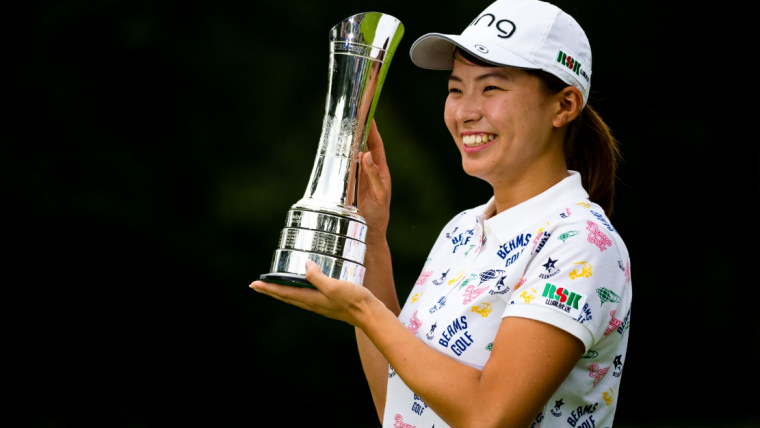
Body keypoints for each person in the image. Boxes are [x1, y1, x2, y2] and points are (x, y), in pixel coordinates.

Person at [251, 0, 631, 427]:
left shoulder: (582, 243)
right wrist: (371, 240)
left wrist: (363, 311)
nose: (465, 111)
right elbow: (397, 407)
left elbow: (489, 417)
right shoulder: (461, 230)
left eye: (491, 88)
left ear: (564, 106)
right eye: (455, 89)